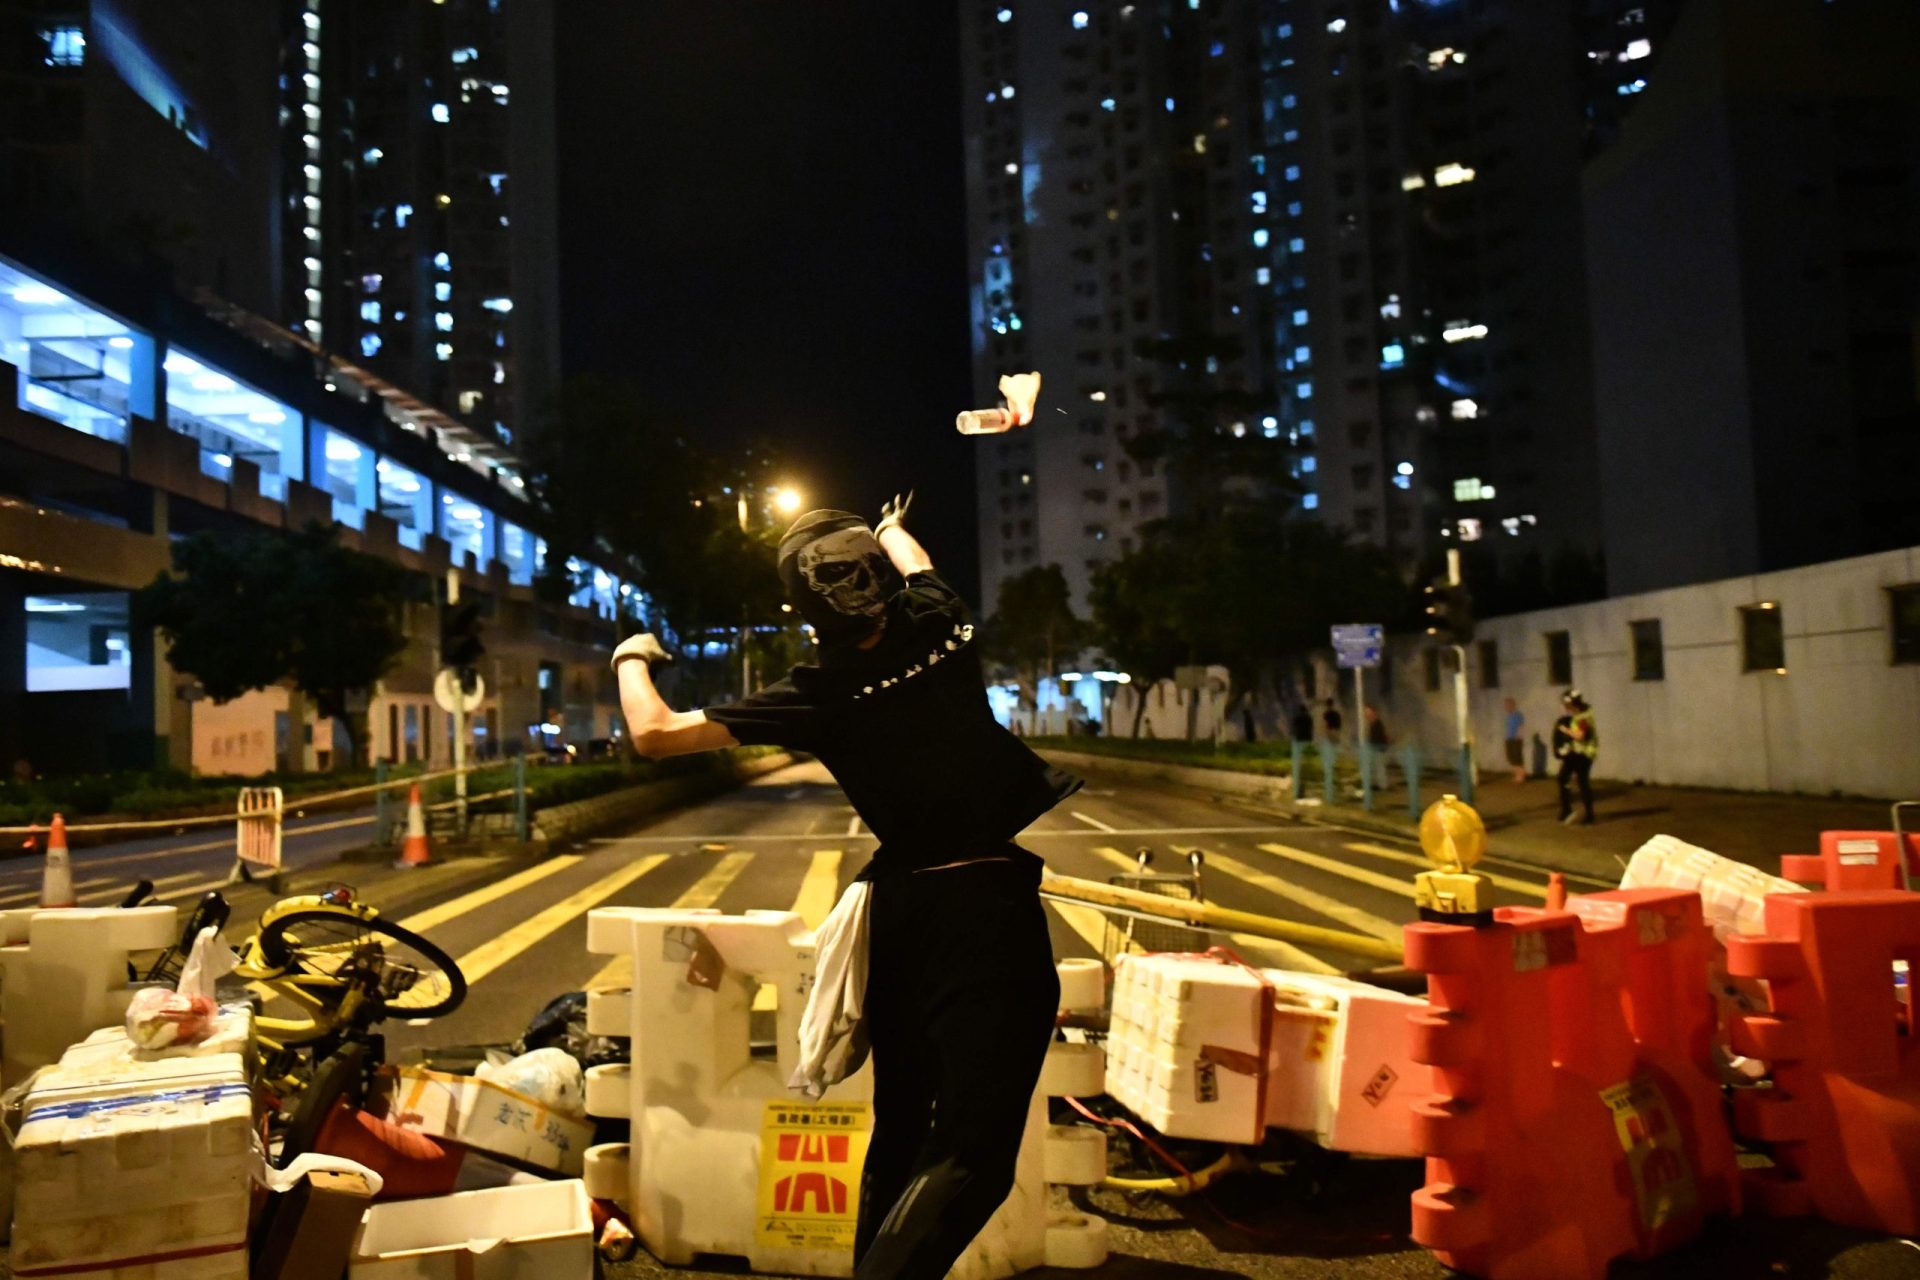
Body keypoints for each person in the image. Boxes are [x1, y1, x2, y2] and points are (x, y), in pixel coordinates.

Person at [609, 495, 1081, 1279]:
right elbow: (918, 562)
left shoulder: (820, 691)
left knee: (901, 1135)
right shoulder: (942, 622)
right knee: (974, 1156)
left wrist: (631, 655)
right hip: (984, 912)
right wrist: (893, 528)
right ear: (879, 576)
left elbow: (654, 733)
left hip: (899, 913)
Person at [1552, 688, 1598, 825]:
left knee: (1579, 781)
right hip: (1579, 752)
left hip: (1583, 753)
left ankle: (1581, 813)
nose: (1565, 707)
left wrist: (1564, 730)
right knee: (1568, 779)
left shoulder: (1582, 716)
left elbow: (1580, 735)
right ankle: (1575, 811)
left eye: (1566, 704)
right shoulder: (1581, 713)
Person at [1363, 705, 1392, 791]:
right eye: (1366, 713)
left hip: (1379, 749)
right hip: (1377, 749)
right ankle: (1379, 784)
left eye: (1368, 713)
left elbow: (1380, 738)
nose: (1367, 716)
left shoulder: (1377, 724)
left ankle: (1382, 785)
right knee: (1378, 767)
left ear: (1374, 713)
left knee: (1380, 768)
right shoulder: (1374, 724)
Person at [1503, 697, 1527, 784]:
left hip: (1515, 739)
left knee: (1517, 758)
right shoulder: (1509, 716)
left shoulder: (1518, 715)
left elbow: (1521, 726)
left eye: (1507, 705)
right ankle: (1517, 775)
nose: (1506, 707)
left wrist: (1518, 736)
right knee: (1511, 758)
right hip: (1509, 738)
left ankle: (1520, 776)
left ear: (1512, 705)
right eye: (1505, 705)